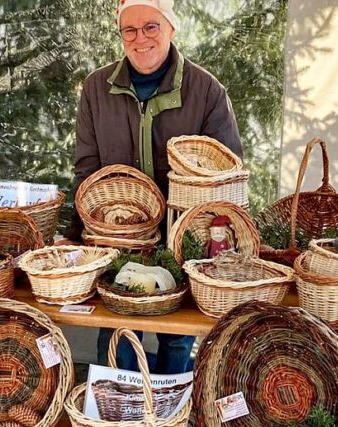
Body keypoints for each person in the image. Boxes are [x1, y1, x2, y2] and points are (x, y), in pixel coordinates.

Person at [70, 0, 243, 374]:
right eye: (129, 30)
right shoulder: (97, 88)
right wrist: (78, 234)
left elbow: (226, 173)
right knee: (116, 330)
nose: (140, 38)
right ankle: (117, 400)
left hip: (183, 238)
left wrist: (210, 240)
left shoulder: (206, 90)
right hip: (117, 235)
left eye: (151, 26)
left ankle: (170, 401)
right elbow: (86, 169)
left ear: (171, 28)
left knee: (177, 335)